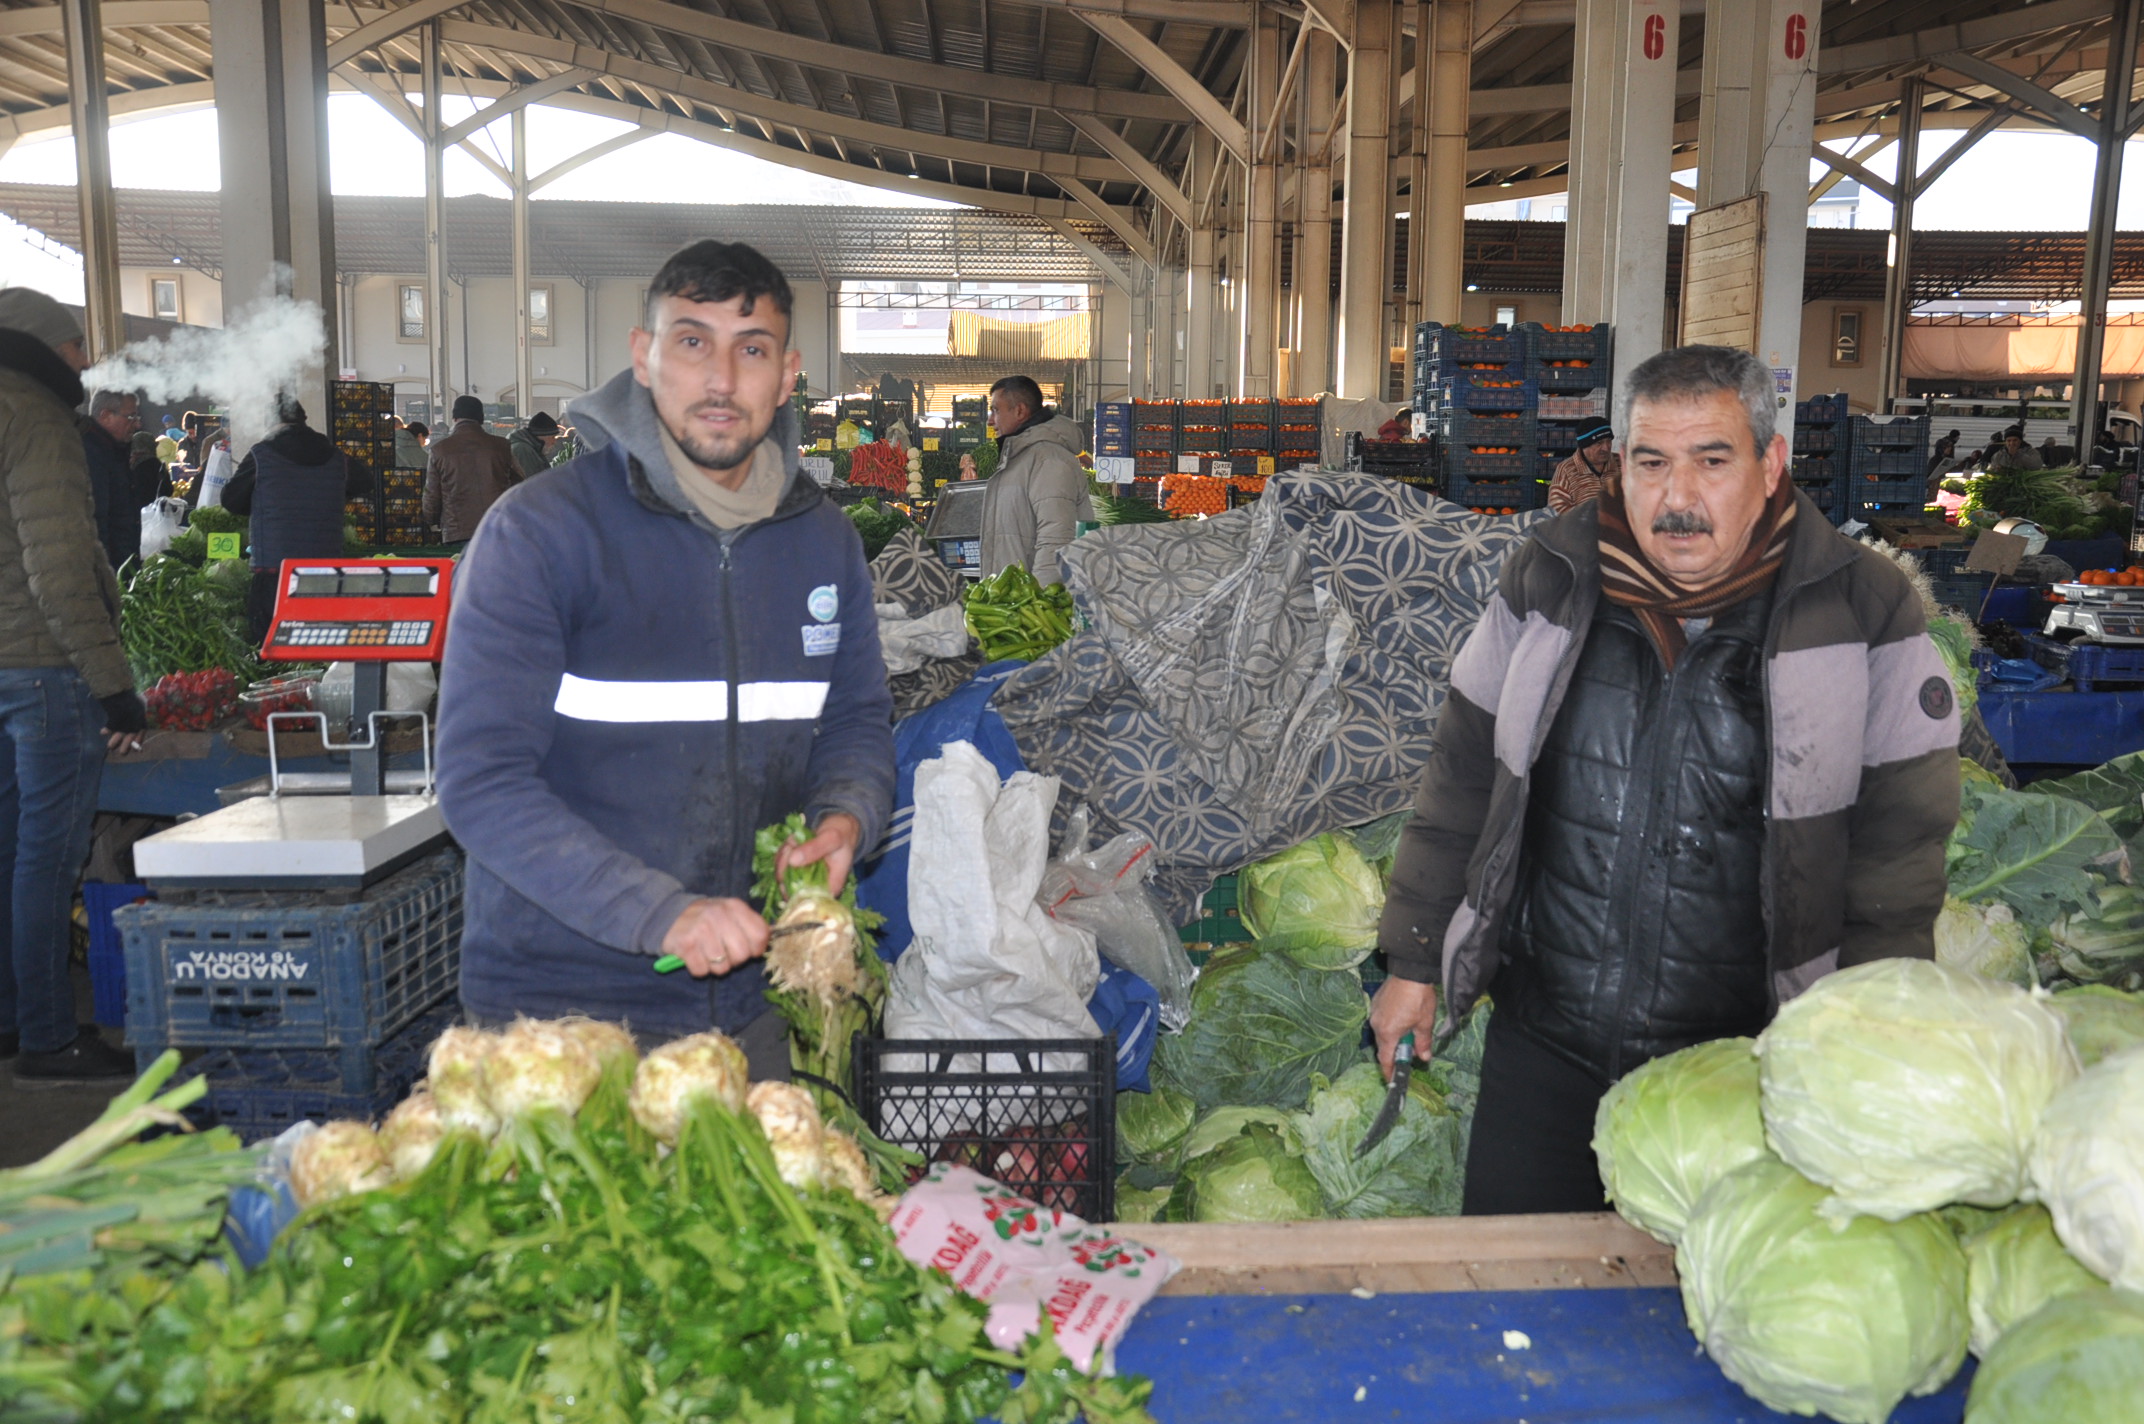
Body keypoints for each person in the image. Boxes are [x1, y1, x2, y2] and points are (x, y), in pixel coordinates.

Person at [1369, 344, 1961, 1216]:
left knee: (1701, 1320)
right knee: (1515, 1306)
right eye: (1651, 463)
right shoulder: (1552, 577)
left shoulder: (1861, 607)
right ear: (1621, 468)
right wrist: (1415, 959)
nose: (1676, 498)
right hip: (1546, 1044)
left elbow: (1899, 850)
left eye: (1711, 461)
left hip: (1740, 1068)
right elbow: (1462, 779)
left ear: (1770, 465)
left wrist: (1865, 1034)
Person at [435, 240, 894, 1070]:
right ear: (643, 358)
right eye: (692, 341)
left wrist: (845, 817)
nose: (721, 380)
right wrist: (661, 914)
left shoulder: (823, 541)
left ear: (787, 375)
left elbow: (855, 717)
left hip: (754, 1001)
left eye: (750, 349)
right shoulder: (540, 532)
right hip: (558, 1015)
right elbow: (480, 780)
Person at [0, 287, 146, 1080]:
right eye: (76, 348)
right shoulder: (36, 418)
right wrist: (111, 682)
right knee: (46, 860)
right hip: (40, 670)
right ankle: (52, 1040)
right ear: (46, 350)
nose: (86, 363)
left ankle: (13, 1020)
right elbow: (56, 565)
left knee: (4, 851)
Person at [220, 396, 373, 643]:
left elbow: (230, 500)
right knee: (319, 644)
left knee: (271, 644)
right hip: (325, 569)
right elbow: (366, 481)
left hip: (275, 571)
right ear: (303, 420)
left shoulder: (262, 454)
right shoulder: (334, 455)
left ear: (271, 423)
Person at [979, 374, 1092, 586]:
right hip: (1013, 603)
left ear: (1020, 411)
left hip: (1033, 607)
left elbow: (1057, 540)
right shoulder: (1018, 459)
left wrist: (1036, 602)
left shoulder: (1049, 460)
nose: (990, 420)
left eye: (996, 410)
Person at [424, 395, 520, 546]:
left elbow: (432, 494)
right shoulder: (501, 446)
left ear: (454, 418)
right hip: (496, 526)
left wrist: (430, 521)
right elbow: (519, 485)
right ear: (481, 418)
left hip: (457, 530)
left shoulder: (439, 450)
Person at [78, 390, 143, 572]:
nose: (137, 424)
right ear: (106, 416)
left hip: (122, 565)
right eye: (130, 416)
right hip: (109, 570)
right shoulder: (92, 454)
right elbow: (97, 518)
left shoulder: (113, 450)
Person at [1547, 422, 1619, 514]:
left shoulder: (1622, 463)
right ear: (1585, 446)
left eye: (1608, 441)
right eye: (1599, 443)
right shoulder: (1566, 469)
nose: (1606, 448)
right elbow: (1556, 510)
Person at [508, 411, 562, 479]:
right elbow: (531, 481)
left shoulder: (532, 448)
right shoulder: (523, 450)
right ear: (542, 436)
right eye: (552, 437)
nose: (554, 442)